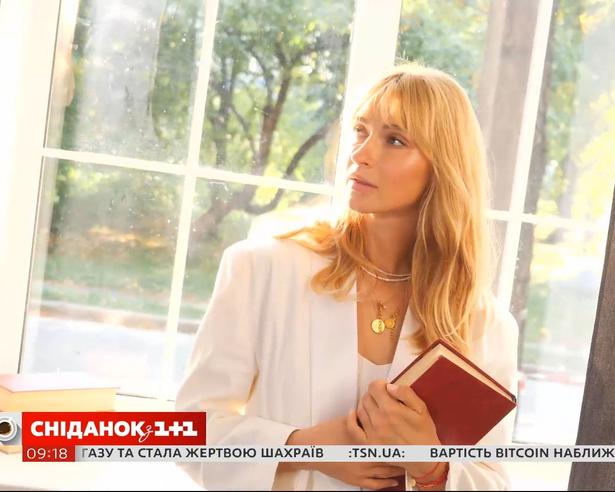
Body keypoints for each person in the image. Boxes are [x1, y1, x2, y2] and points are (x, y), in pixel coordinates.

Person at [175, 64, 519, 491]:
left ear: (442, 167)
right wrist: (304, 447)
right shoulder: (261, 269)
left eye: (395, 140)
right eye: (360, 131)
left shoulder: (484, 325)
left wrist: (432, 468)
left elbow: (492, 479)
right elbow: (188, 433)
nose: (361, 154)